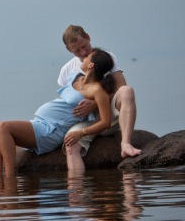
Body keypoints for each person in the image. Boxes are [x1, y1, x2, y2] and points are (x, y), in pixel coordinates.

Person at [0, 48, 117, 175]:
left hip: (52, 130)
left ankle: (10, 177)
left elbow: (105, 122)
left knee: (4, 127)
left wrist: (81, 133)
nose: (83, 57)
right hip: (40, 122)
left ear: (91, 64)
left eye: (87, 56)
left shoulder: (97, 91)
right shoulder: (75, 77)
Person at [58, 25, 141, 165]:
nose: (83, 52)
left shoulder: (105, 57)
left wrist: (95, 103)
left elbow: (121, 86)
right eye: (76, 51)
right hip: (87, 122)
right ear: (68, 50)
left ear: (88, 37)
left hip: (109, 116)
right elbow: (66, 103)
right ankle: (76, 186)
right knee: (70, 144)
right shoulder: (67, 70)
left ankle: (125, 144)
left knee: (127, 91)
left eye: (84, 46)